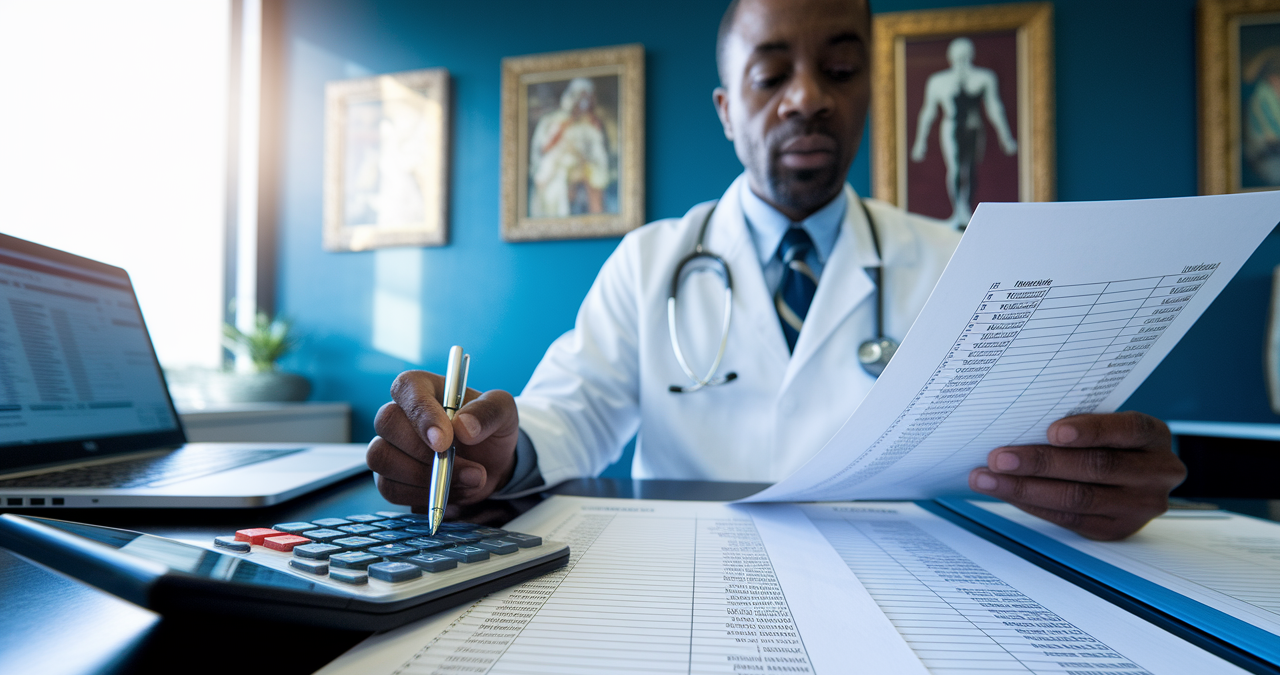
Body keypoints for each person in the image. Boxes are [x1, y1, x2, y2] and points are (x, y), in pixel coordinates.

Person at [366, 0, 1186, 541]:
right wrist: (489, 453)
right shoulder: (652, 262)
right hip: (689, 599)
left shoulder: (961, 264)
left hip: (910, 604)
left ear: (870, 91)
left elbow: (1034, 455)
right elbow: (564, 421)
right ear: (727, 110)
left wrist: (1097, 478)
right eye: (770, 76)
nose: (807, 100)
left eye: (839, 70)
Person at [910, 37, 1018, 229]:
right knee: (956, 169)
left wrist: (1005, 137)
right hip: (951, 127)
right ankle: (959, 210)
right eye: (957, 57)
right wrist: (920, 141)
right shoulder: (938, 81)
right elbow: (928, 112)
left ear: (971, 56)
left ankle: (966, 210)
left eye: (965, 56)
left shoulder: (984, 77)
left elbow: (994, 108)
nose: (961, 61)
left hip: (974, 128)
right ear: (950, 57)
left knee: (971, 169)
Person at [529, 77, 612, 217]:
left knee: (595, 181)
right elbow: (543, 149)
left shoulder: (592, 126)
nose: (583, 103)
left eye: (587, 98)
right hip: (557, 171)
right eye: (580, 97)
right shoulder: (553, 121)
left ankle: (597, 218)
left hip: (585, 170)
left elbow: (599, 157)